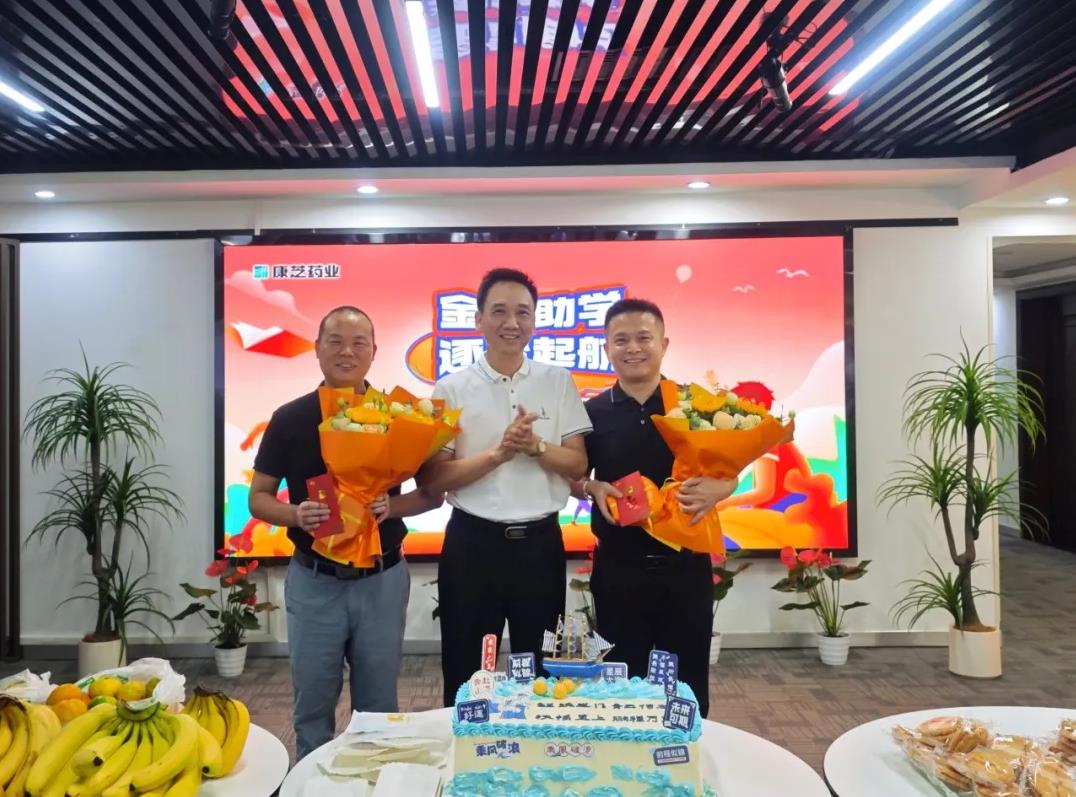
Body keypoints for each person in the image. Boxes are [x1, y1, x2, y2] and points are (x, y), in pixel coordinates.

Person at [248, 306, 442, 759]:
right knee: (312, 704)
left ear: (374, 352)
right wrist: (295, 515)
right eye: (335, 341)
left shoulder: (400, 416)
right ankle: (311, 781)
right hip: (314, 581)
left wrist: (392, 506)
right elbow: (259, 497)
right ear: (317, 349)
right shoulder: (290, 418)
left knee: (378, 707)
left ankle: (374, 780)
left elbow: (433, 495)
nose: (346, 352)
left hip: (381, 579)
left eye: (358, 343)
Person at [422, 268, 592, 706]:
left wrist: (535, 447)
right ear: (478, 319)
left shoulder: (557, 380)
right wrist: (497, 455)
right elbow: (434, 478)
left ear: (535, 320)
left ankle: (535, 747)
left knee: (541, 673)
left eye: (523, 312)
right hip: (472, 545)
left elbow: (578, 463)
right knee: (466, 670)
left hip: (540, 547)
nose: (511, 323)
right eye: (499, 311)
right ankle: (465, 745)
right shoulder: (450, 388)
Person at [577, 298, 736, 717]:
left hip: (686, 567)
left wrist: (724, 488)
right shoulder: (590, 412)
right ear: (606, 348)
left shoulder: (695, 407)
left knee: (687, 687)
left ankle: (687, 755)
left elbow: (729, 470)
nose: (633, 348)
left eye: (644, 338)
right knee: (621, 687)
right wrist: (590, 486)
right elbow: (574, 476)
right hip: (618, 569)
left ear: (664, 344)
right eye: (621, 340)